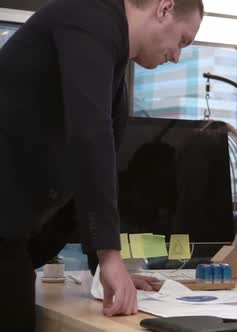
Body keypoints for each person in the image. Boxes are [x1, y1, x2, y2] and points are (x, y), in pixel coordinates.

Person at [0, 0, 203, 329]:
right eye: (182, 41)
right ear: (164, 8)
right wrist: (109, 256)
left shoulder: (112, 64)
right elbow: (89, 136)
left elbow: (97, 167)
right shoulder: (90, 17)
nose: (177, 55)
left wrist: (104, 268)